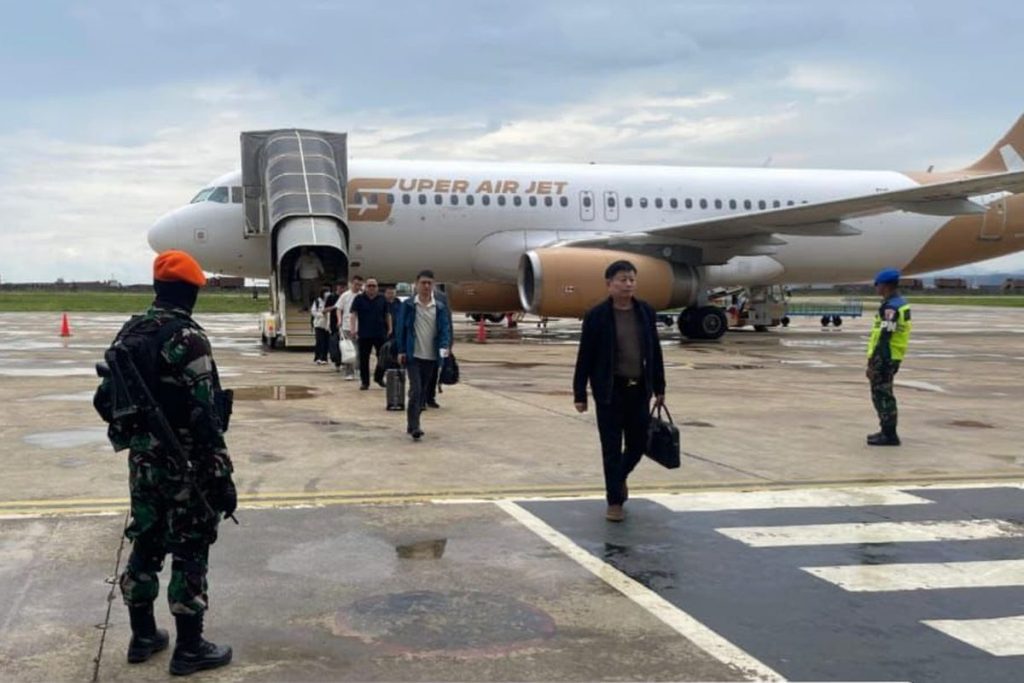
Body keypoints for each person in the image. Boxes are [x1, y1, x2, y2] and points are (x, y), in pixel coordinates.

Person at [97, 250, 235, 675]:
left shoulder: (131, 331)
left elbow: (107, 402)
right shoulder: (187, 338)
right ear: (191, 291)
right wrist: (221, 475)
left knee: (147, 540)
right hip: (185, 463)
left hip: (143, 461)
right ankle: (190, 647)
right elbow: (205, 414)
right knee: (190, 548)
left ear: (158, 288)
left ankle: (142, 636)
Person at [573, 260, 665, 523]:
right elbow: (585, 356)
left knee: (638, 444)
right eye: (623, 279)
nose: (628, 284)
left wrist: (660, 387)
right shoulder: (597, 315)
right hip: (610, 391)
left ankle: (619, 477)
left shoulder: (645, 312)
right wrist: (580, 393)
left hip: (639, 390)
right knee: (611, 448)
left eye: (632, 279)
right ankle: (614, 502)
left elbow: (655, 351)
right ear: (609, 284)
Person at [396, 270, 452, 440]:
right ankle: (415, 427)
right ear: (416, 284)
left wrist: (445, 347)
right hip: (413, 355)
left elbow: (445, 330)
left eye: (429, 283)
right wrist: (401, 350)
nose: (426, 286)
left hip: (431, 356)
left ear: (433, 285)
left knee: (422, 393)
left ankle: (412, 422)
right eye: (423, 283)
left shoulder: (439, 307)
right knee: (416, 389)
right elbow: (400, 329)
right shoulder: (409, 305)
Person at [865, 268, 912, 446]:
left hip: (885, 356)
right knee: (883, 393)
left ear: (885, 286)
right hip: (893, 354)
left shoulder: (891, 308)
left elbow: (885, 335)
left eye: (877, 284)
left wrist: (874, 362)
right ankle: (886, 431)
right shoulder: (900, 303)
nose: (876, 288)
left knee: (882, 395)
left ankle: (889, 434)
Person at [350, 277, 391, 389]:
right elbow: (353, 314)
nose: (372, 288)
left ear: (377, 287)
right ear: (365, 287)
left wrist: (390, 328)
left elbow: (387, 314)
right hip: (364, 333)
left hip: (380, 332)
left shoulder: (382, 299)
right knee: (364, 359)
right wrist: (353, 329)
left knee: (383, 357)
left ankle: (379, 377)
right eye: (369, 286)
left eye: (374, 286)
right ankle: (365, 382)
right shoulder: (359, 298)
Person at [423, 286, 455, 409]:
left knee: (434, 371)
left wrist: (449, 343)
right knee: (421, 372)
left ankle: (430, 397)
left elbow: (448, 320)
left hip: (437, 342)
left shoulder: (441, 298)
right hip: (421, 340)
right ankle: (420, 398)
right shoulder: (415, 298)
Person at [337, 276, 364, 380]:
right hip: (347, 326)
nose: (358, 286)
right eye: (356, 284)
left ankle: (358, 368)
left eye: (360, 285)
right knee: (348, 350)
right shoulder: (345, 295)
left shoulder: (362, 296)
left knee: (359, 349)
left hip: (361, 326)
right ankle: (349, 372)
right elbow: (339, 309)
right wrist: (339, 320)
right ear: (351, 283)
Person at [292, 247, 324, 311]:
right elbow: (321, 269)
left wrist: (295, 275)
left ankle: (307, 306)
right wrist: (322, 275)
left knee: (306, 293)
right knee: (316, 293)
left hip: (306, 278)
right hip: (313, 278)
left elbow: (296, 267)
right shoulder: (315, 259)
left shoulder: (302, 258)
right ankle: (316, 306)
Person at [324, 281, 345, 372]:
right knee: (335, 345)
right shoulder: (331, 297)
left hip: (345, 324)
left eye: (343, 287)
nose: (342, 289)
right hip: (334, 324)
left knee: (345, 345)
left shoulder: (345, 297)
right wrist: (335, 307)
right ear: (337, 287)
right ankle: (337, 362)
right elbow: (324, 310)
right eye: (340, 287)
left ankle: (344, 362)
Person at [311, 286, 331, 365]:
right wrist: (321, 314)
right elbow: (313, 312)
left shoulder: (330, 301)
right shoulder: (317, 301)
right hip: (318, 325)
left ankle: (324, 358)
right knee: (319, 341)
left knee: (326, 342)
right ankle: (318, 358)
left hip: (327, 325)